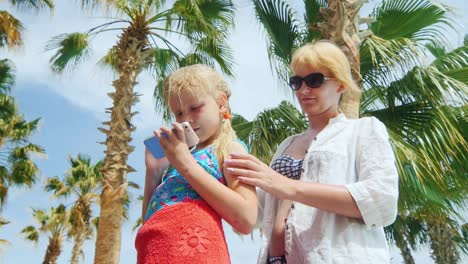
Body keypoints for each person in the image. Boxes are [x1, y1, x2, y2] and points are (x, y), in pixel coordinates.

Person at [225, 40, 399, 263]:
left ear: (341, 84)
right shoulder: (287, 144)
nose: (304, 90)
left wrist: (289, 187)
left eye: (315, 80)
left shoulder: (363, 130)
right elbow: (258, 211)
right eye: (296, 82)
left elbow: (381, 201)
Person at [135, 64, 257, 264]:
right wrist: (153, 172)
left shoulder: (230, 148)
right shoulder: (177, 159)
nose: (187, 120)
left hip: (197, 251)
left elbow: (247, 218)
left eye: (195, 108)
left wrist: (185, 164)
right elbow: (150, 221)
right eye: (179, 114)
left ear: (221, 104)